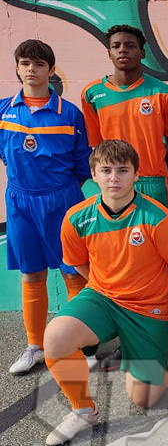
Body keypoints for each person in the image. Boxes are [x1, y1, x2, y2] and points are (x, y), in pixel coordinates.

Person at [42, 140, 168, 446]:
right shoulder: (77, 218)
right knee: (56, 337)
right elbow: (79, 263)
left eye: (123, 170)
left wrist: (155, 297)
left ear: (136, 174)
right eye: (106, 170)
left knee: (144, 399)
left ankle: (153, 354)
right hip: (103, 298)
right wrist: (106, 286)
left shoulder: (160, 220)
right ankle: (83, 409)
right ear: (93, 174)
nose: (114, 178)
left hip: (149, 308)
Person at [1, 39, 91, 375]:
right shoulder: (4, 110)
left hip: (62, 200)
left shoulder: (69, 113)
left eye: (39, 64)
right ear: (17, 68)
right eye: (25, 63)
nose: (31, 70)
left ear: (51, 70)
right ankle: (34, 345)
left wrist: (59, 193)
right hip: (20, 201)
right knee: (31, 273)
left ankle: (79, 344)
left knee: (73, 271)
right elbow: (6, 155)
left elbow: (82, 164)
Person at [81, 24, 168, 208]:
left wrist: (156, 172)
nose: (122, 50)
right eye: (116, 46)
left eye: (130, 46)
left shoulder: (164, 93)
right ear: (109, 53)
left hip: (153, 183)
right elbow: (97, 146)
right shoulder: (92, 93)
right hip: (114, 183)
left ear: (142, 53)